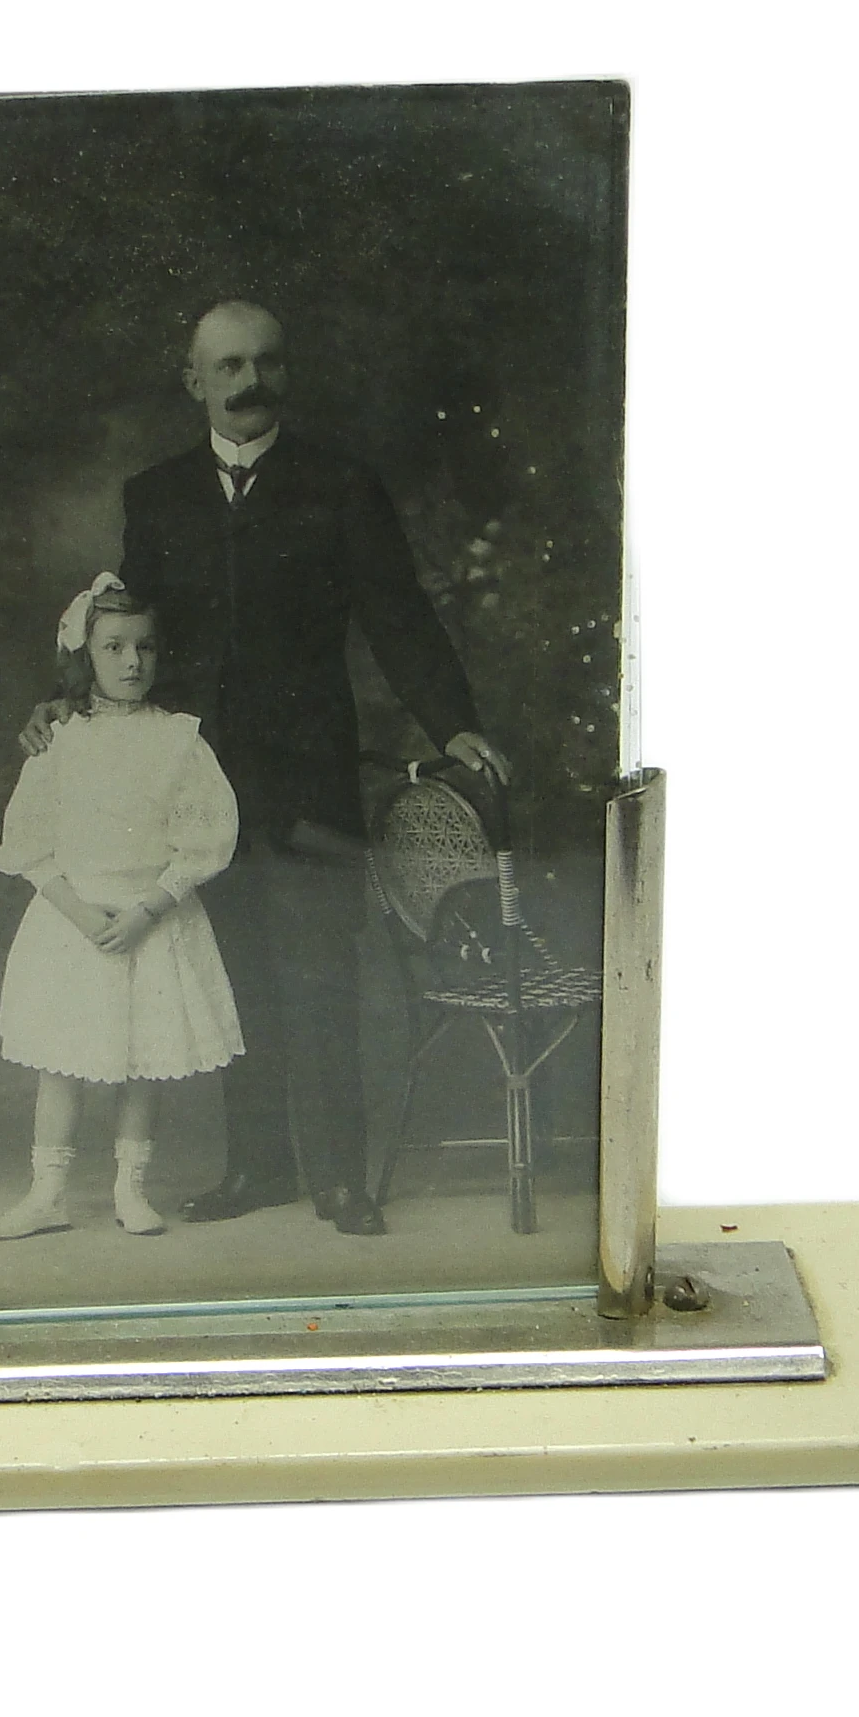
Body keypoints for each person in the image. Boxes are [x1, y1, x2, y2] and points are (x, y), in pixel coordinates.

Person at [106, 300, 511, 1236]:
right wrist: (68, 701)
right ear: (195, 381)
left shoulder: (342, 486)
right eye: (230, 366)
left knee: (323, 972)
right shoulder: (155, 495)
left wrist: (455, 725)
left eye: (268, 362)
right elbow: (133, 631)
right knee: (236, 970)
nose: (251, 382)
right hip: (199, 785)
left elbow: (399, 618)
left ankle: (339, 1180)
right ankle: (259, 1168)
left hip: (309, 777)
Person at [0, 574, 245, 1241]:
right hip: (74, 921)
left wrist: (149, 910)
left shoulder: (179, 740)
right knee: (62, 1063)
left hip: (150, 918)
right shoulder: (60, 737)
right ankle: (47, 1194)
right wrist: (80, 914)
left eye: (145, 647)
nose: (132, 662)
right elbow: (29, 842)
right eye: (114, 647)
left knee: (141, 1061)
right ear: (85, 656)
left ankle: (131, 1188)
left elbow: (204, 841)